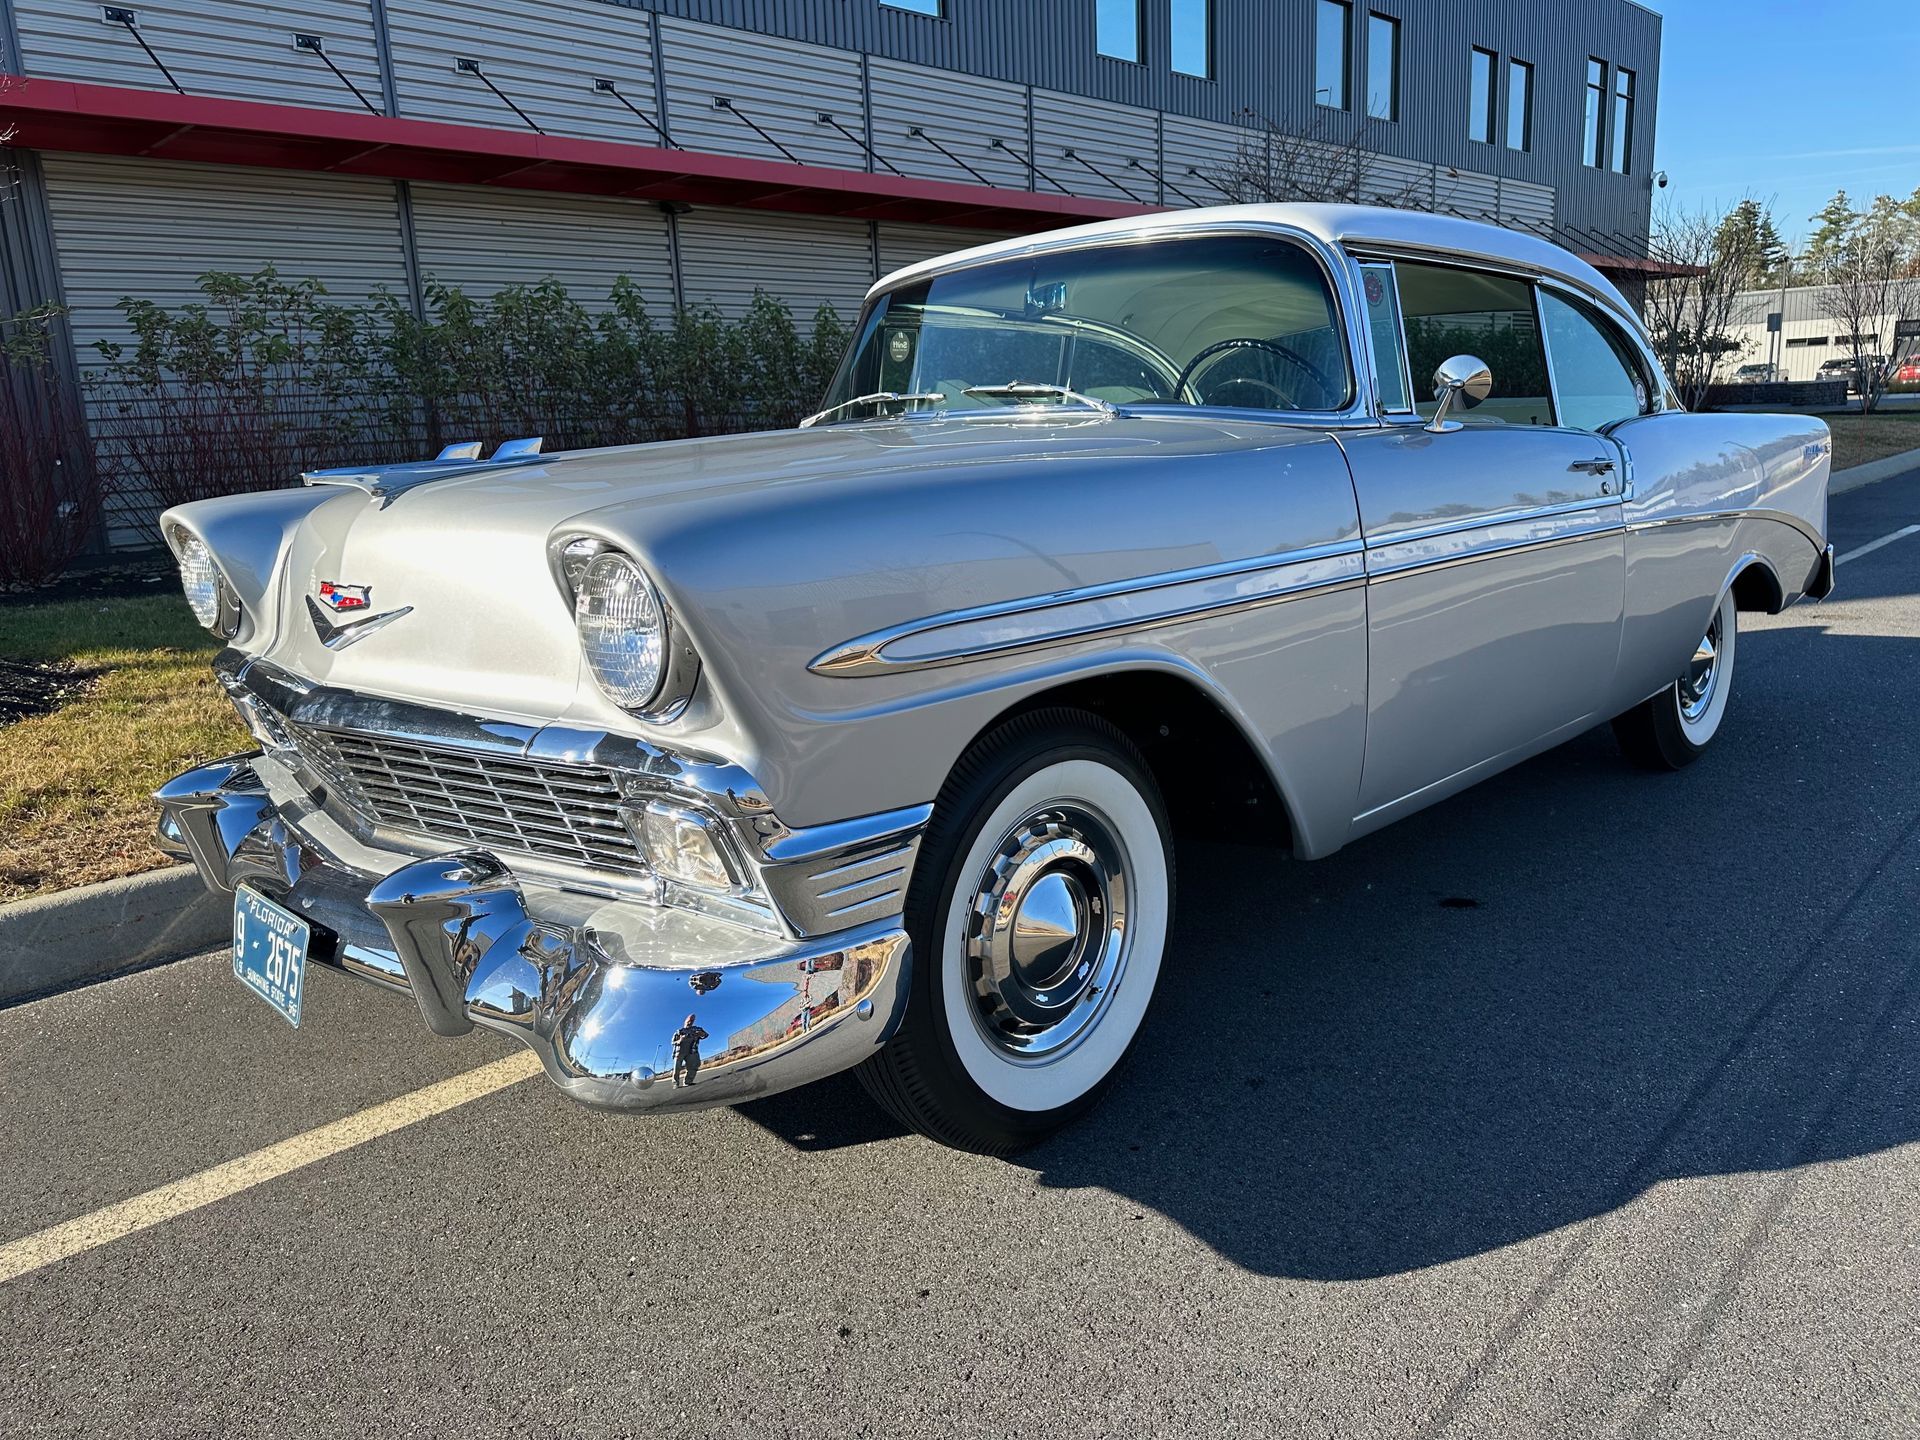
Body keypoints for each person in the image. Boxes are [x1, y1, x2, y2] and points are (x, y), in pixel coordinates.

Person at [671, 1014, 709, 1088]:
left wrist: (701, 1034)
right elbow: (672, 1042)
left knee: (694, 1065)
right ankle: (675, 1084)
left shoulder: (697, 1029)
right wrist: (679, 1040)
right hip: (679, 1052)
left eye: (692, 1021)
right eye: (689, 1020)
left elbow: (706, 1035)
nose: (690, 1022)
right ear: (685, 1021)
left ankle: (688, 1082)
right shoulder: (679, 1031)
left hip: (692, 1051)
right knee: (676, 1068)